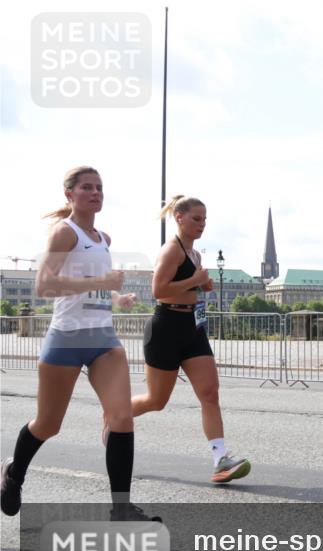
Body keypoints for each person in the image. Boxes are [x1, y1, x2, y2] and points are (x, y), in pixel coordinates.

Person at [1, 166, 157, 521]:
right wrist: (101, 279)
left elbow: (92, 285)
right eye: (87, 187)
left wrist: (117, 298)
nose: (96, 193)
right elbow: (44, 286)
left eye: (100, 187)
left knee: (121, 418)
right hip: (67, 338)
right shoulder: (64, 232)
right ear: (69, 194)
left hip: (103, 338)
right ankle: (14, 473)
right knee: (48, 424)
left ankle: (121, 508)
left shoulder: (104, 237)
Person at [129, 195, 251, 484]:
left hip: (191, 327)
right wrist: (194, 280)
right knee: (156, 400)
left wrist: (203, 283)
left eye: (205, 219)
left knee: (210, 392)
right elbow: (159, 290)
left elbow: (193, 284)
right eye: (197, 218)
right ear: (179, 218)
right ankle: (117, 415)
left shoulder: (195, 254)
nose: (202, 224)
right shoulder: (171, 250)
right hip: (166, 326)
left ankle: (220, 460)